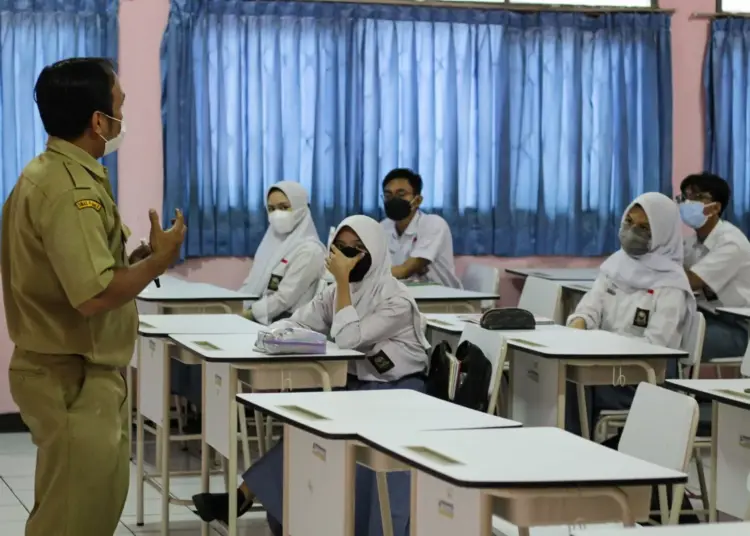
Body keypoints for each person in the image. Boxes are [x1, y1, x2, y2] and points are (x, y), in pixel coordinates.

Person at [2, 58, 186, 536]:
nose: (125, 117)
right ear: (99, 121)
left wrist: (140, 259)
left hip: (76, 372)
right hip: (71, 376)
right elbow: (95, 293)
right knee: (72, 520)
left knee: (85, 508)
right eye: (121, 105)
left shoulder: (57, 174)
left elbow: (85, 271)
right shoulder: (69, 189)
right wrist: (158, 262)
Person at [192, 215, 430, 536]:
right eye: (341, 248)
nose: (346, 256)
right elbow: (295, 321)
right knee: (305, 430)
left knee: (324, 433)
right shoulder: (335, 294)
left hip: (401, 393)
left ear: (374, 251)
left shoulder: (395, 300)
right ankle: (264, 503)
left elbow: (348, 338)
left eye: (357, 249)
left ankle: (245, 496)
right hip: (359, 387)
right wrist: (284, 336)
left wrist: (342, 282)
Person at [566, 192, 696, 432]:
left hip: (642, 377)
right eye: (629, 222)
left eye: (644, 227)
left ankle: (576, 453)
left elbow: (656, 345)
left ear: (661, 234)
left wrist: (602, 347)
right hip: (604, 365)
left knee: (568, 385)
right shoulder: (616, 265)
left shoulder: (671, 284)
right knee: (557, 374)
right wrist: (579, 324)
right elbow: (589, 307)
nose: (632, 231)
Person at [678, 172, 750, 360]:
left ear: (715, 207)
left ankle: (667, 389)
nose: (688, 203)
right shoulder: (691, 242)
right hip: (704, 317)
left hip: (739, 328)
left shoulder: (731, 242)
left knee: (673, 341)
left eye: (697, 197)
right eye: (685, 197)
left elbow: (691, 281)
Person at [239, 181, 326, 324]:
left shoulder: (311, 251)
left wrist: (249, 314)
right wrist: (235, 305)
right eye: (271, 209)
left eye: (284, 207)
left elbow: (285, 297)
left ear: (302, 208)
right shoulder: (270, 244)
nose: (277, 214)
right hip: (262, 318)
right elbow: (250, 283)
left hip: (286, 324)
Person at [380, 168, 462, 288]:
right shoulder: (382, 227)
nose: (393, 200)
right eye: (388, 195)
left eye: (401, 194)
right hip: (404, 295)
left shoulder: (433, 224)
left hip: (443, 300)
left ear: (417, 200)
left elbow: (405, 270)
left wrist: (372, 275)